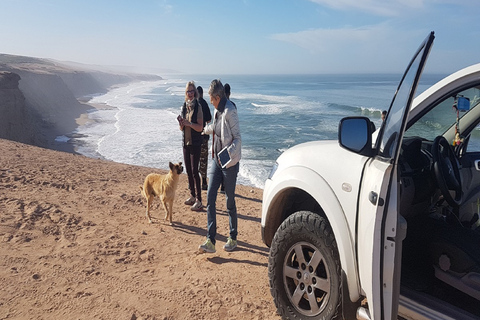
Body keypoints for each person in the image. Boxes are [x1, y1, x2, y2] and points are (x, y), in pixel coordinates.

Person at [198, 79, 241, 253]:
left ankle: (233, 237)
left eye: (211, 98)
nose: (210, 102)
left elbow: (237, 139)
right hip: (216, 161)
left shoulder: (230, 111)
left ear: (217, 97)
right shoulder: (217, 110)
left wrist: (225, 155)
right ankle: (211, 240)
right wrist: (204, 130)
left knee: (229, 201)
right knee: (210, 198)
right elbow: (216, 128)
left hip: (229, 163)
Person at [179, 81, 204, 211]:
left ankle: (199, 200)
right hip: (186, 142)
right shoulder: (184, 106)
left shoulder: (198, 107)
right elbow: (181, 128)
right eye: (188, 91)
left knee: (195, 171)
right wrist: (182, 123)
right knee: (188, 171)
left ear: (195, 92)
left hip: (195, 142)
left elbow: (200, 127)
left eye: (191, 91)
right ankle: (192, 196)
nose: (189, 93)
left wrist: (189, 124)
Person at [197, 86, 212, 191]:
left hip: (194, 137)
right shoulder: (204, 103)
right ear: (202, 93)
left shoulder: (193, 104)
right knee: (204, 160)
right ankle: (203, 182)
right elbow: (209, 119)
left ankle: (193, 182)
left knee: (195, 160)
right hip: (203, 136)